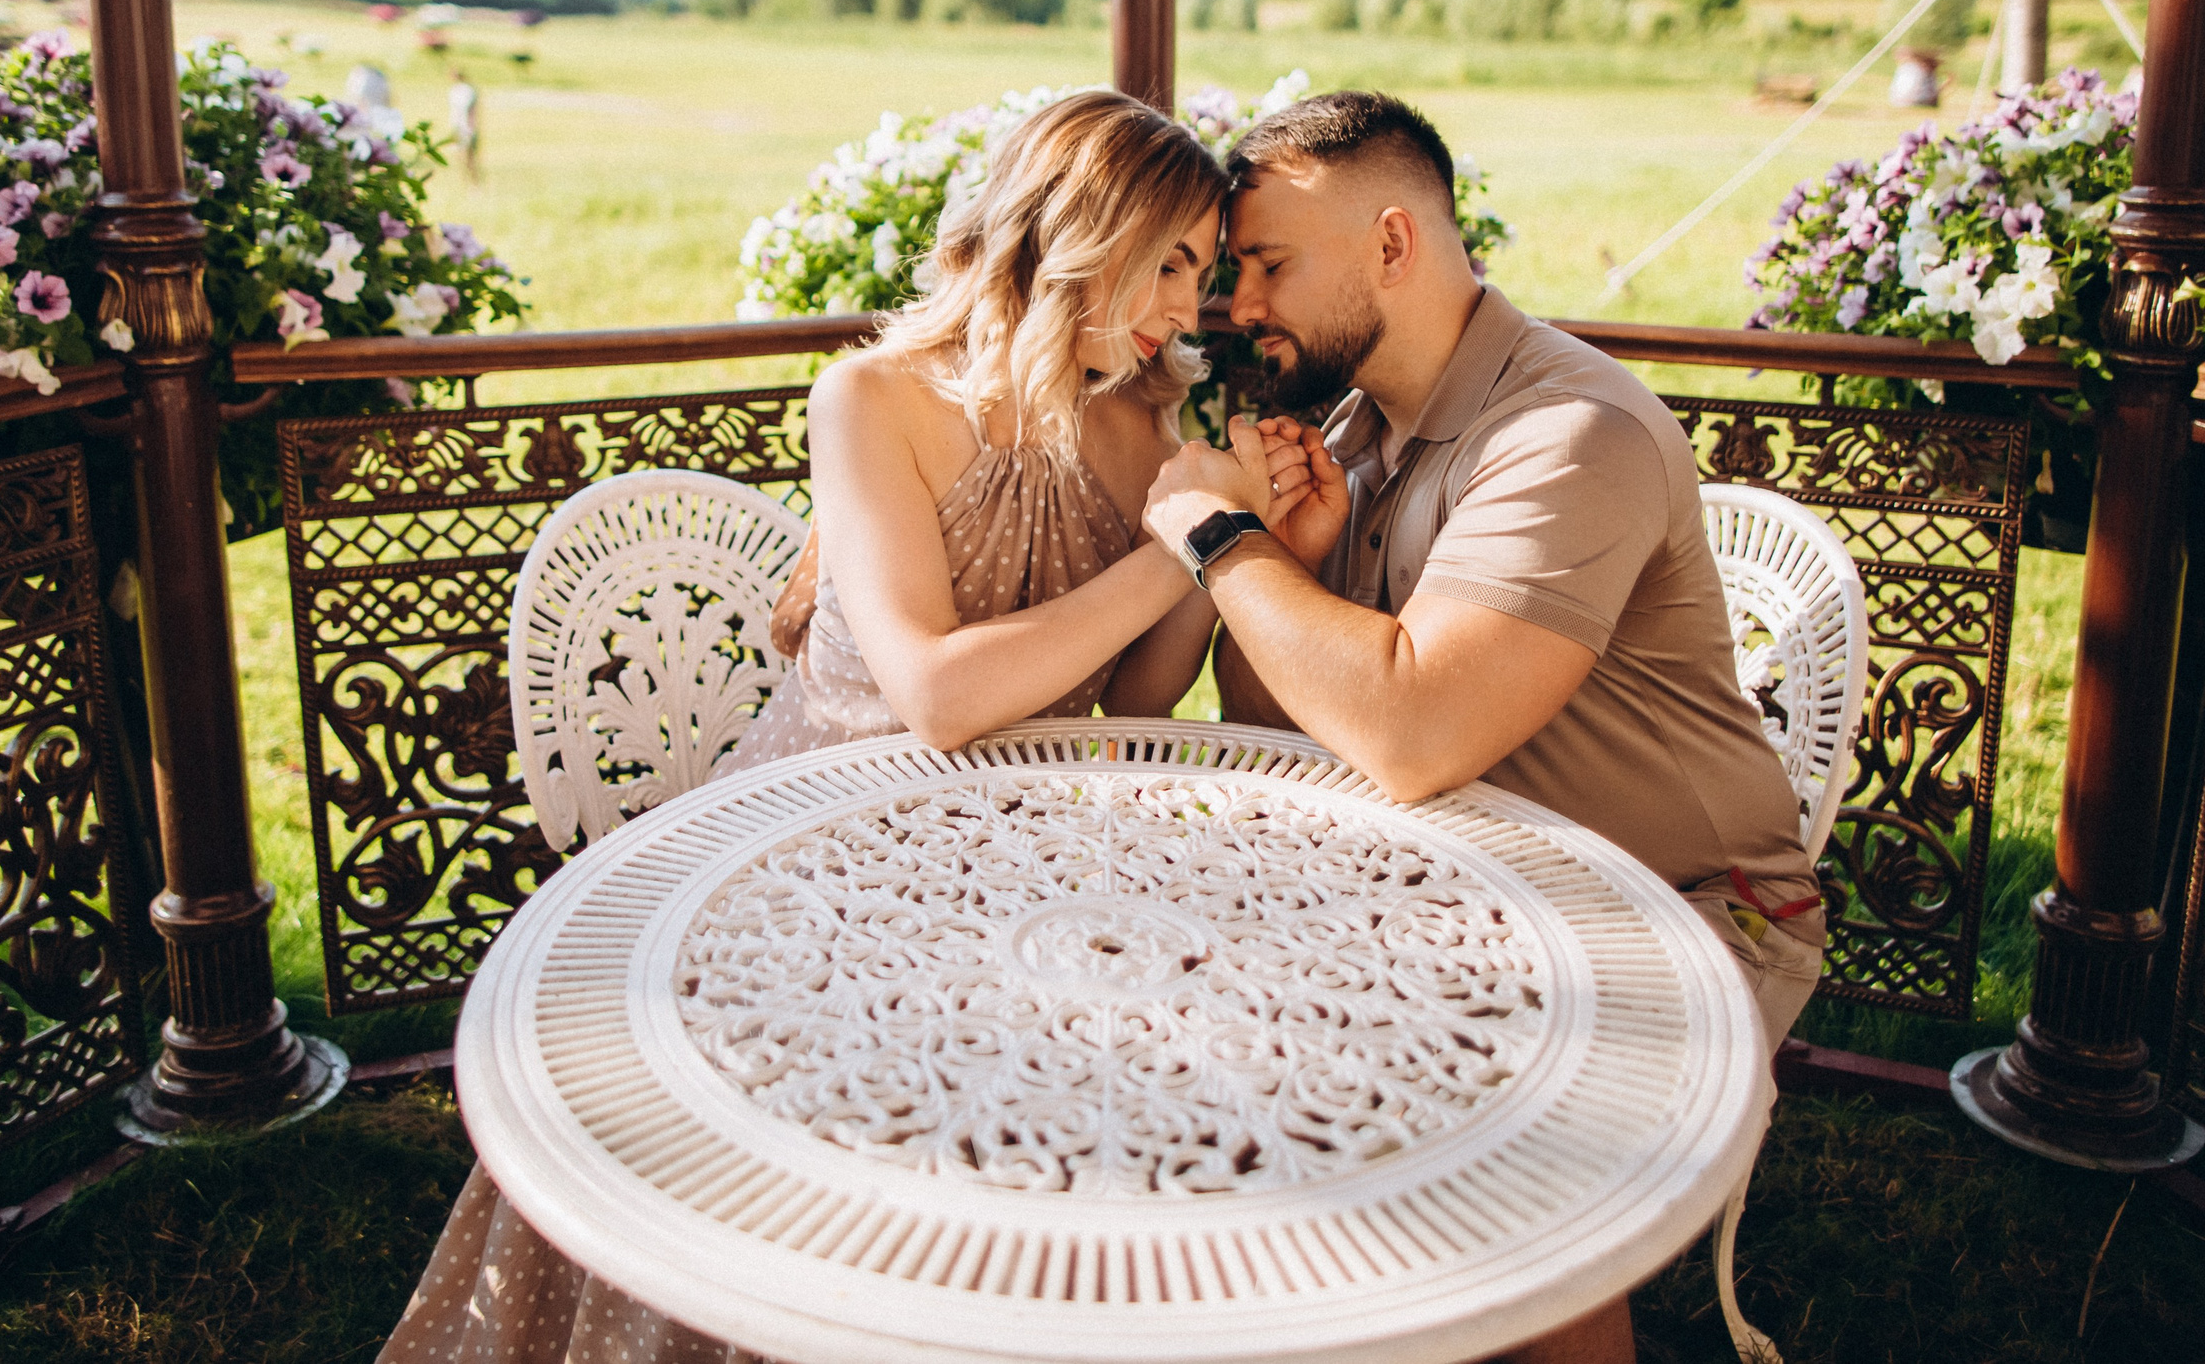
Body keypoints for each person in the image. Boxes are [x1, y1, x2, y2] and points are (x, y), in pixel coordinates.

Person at [378, 88, 1235, 1364]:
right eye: (1170, 262)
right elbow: (935, 695)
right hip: (816, 843)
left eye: (1205, 275)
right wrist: (1174, 553)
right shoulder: (872, 399)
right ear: (1080, 230)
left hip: (1020, 852)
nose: (1188, 305)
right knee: (784, 1126)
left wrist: (1222, 542)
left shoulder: (1138, 419)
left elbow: (1138, 701)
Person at [1137, 90, 1822, 1364]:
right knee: (1178, 1044)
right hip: (1451, 889)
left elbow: (1411, 733)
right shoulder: (1354, 423)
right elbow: (1281, 721)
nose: (1236, 304)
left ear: (1392, 243)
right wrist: (1294, 564)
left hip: (1673, 914)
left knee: (1484, 1173)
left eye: (1269, 264)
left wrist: (1217, 539)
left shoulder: (1570, 434)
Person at [448, 66, 481, 181]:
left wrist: (472, 126)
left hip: (467, 126)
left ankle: (474, 180)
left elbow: (472, 110)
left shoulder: (468, 90)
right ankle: (464, 179)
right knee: (459, 154)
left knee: (470, 155)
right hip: (457, 125)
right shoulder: (454, 90)